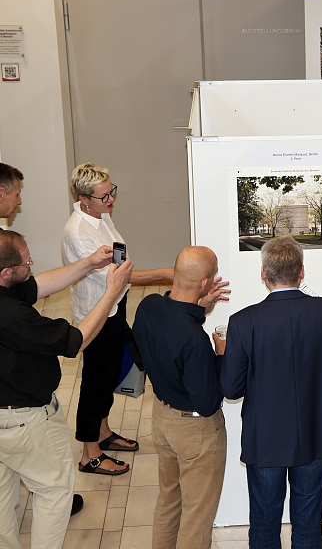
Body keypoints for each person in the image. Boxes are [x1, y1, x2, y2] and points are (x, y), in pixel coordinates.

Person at [221, 236, 322, 548]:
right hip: (318, 433)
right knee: (309, 524)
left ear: (263, 274)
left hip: (266, 439)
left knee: (263, 525)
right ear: (302, 272)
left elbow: (231, 388)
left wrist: (227, 355)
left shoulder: (243, 322)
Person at [0, 230, 133, 548]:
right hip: (24, 421)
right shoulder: (14, 317)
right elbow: (77, 340)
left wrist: (89, 263)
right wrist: (111, 293)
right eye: (27, 261)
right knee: (53, 493)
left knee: (3, 498)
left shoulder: (7, 290)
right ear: (7, 272)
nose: (32, 264)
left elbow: (41, 284)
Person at [61, 162, 174, 475]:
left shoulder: (101, 215)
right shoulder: (78, 232)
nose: (111, 199)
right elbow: (120, 275)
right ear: (84, 199)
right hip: (96, 313)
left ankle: (103, 431)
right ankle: (89, 453)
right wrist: (166, 274)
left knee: (110, 374)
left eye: (112, 192)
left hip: (114, 306)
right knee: (96, 381)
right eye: (103, 196)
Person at [132, 246, 230, 549]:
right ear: (203, 283)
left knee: (169, 500)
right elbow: (208, 401)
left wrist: (202, 308)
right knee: (197, 519)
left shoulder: (148, 306)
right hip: (195, 433)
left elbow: (144, 353)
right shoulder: (195, 340)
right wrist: (220, 356)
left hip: (162, 419)